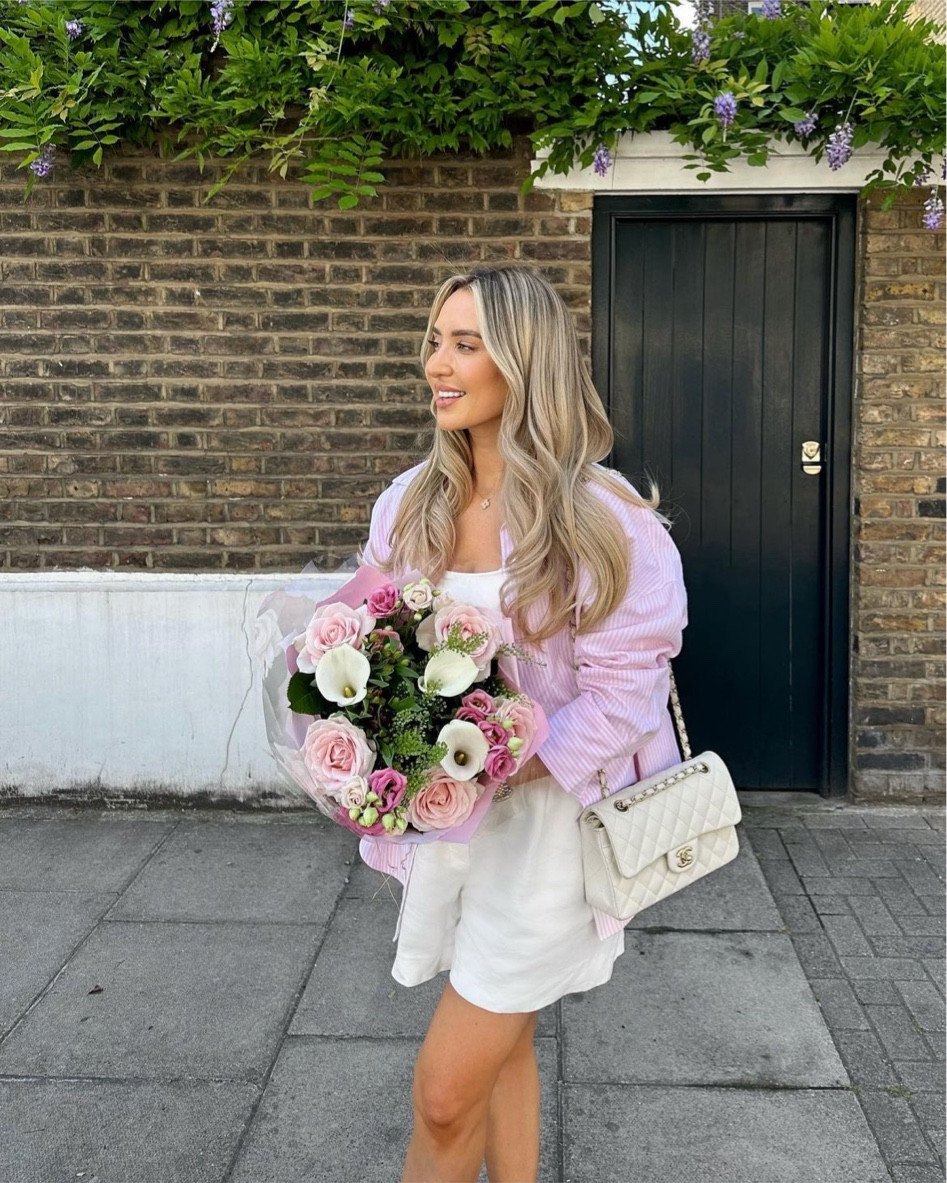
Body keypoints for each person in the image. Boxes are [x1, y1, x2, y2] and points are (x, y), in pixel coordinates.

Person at [359, 264, 688, 1183]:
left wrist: (498, 764)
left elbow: (625, 693)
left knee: (442, 1091)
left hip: (553, 834)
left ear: (524, 361)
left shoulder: (603, 521)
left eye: (466, 344)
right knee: (503, 1046)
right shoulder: (407, 505)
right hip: (455, 834)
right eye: (435, 339)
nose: (437, 363)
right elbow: (376, 650)